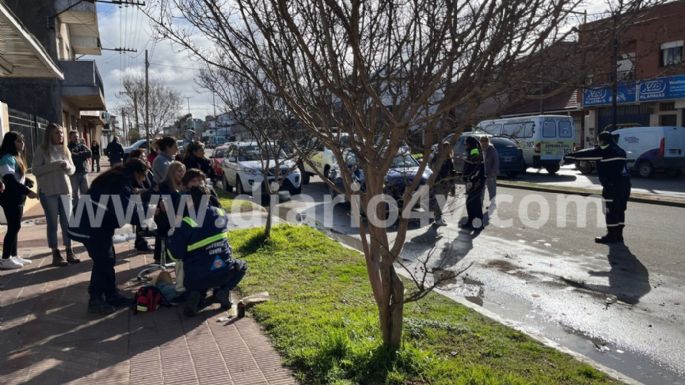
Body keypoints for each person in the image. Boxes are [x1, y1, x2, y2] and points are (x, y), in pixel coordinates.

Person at [68, 159, 150, 314]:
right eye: (143, 176)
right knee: (103, 261)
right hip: (90, 226)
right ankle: (95, 300)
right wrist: (151, 210)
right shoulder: (120, 182)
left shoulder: (117, 177)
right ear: (137, 173)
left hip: (94, 225)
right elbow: (126, 212)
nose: (144, 180)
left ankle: (111, 294)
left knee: (107, 259)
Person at [167, 185, 247, 316]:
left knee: (198, 277)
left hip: (195, 278)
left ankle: (196, 294)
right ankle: (224, 290)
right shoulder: (221, 214)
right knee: (242, 266)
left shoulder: (185, 223)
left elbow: (175, 255)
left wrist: (171, 237)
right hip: (223, 272)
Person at [565, 131, 631, 243]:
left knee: (610, 210)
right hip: (625, 185)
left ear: (602, 140)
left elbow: (588, 154)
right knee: (620, 210)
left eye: (598, 140)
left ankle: (611, 235)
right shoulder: (620, 151)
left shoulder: (605, 151)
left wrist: (569, 156)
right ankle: (619, 235)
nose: (598, 143)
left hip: (612, 186)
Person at [32, 123, 80, 266]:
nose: (60, 135)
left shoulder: (65, 150)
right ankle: (55, 253)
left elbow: (72, 170)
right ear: (49, 135)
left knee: (67, 223)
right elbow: (35, 170)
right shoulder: (42, 150)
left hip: (65, 190)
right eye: (56, 133)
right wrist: (54, 165)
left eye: (61, 133)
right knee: (52, 223)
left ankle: (69, 250)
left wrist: (67, 166)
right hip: (48, 192)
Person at [0, 132, 38, 269]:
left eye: (22, 141)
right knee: (14, 226)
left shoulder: (16, 157)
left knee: (15, 227)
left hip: (17, 197)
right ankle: (5, 258)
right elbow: (9, 180)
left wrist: (26, 181)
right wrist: (27, 191)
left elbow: (15, 177)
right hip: (10, 197)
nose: (22, 143)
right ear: (11, 142)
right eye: (18, 141)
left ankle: (13, 255)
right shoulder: (6, 158)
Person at [153, 161, 186, 263]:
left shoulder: (181, 185)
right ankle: (168, 255)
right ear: (172, 172)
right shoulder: (164, 185)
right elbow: (165, 205)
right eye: (179, 171)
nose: (182, 174)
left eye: (183, 171)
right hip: (164, 218)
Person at [128, 149, 154, 252]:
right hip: (138, 199)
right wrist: (148, 190)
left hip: (146, 197)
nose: (145, 158)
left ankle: (140, 242)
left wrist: (148, 170)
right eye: (143, 156)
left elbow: (151, 183)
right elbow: (136, 189)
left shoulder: (145, 169)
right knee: (141, 221)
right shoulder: (134, 171)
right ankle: (141, 242)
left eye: (145, 156)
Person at [461, 136, 485, 231]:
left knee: (475, 203)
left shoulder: (474, 151)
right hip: (473, 180)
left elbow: (474, 165)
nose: (465, 145)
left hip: (476, 181)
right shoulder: (473, 150)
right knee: (470, 203)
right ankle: (471, 222)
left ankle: (478, 224)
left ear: (470, 144)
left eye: (466, 143)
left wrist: (471, 179)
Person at [431, 141, 456, 227]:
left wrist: (452, 184)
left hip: (447, 183)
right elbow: (432, 167)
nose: (449, 150)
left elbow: (452, 171)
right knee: (440, 200)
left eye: (449, 148)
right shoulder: (438, 157)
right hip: (440, 182)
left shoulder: (449, 158)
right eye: (447, 148)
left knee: (442, 200)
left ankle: (438, 217)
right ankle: (437, 218)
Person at [67, 131, 92, 208]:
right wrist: (82, 155)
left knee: (85, 192)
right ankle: (76, 209)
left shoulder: (82, 146)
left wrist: (78, 154)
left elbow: (89, 153)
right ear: (70, 138)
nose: (76, 138)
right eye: (74, 136)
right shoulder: (67, 148)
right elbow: (71, 156)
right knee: (74, 193)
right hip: (73, 174)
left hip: (83, 172)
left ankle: (86, 209)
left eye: (77, 136)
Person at [479, 136, 499, 214]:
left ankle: (493, 204)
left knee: (492, 189)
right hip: (481, 173)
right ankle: (480, 204)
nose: (483, 143)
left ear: (488, 141)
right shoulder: (479, 150)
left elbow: (496, 161)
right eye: (482, 141)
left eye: (485, 141)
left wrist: (493, 172)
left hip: (490, 173)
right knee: (481, 190)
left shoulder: (492, 149)